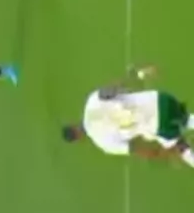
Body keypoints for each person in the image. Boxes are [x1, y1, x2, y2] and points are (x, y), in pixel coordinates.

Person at [62, 66, 194, 168]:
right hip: (159, 99)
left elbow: (140, 150)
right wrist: (139, 74)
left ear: (77, 139)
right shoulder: (92, 101)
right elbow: (116, 87)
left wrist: (164, 154)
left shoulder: (103, 143)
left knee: (180, 146)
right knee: (186, 119)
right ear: (73, 124)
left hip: (159, 126)